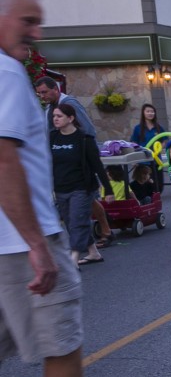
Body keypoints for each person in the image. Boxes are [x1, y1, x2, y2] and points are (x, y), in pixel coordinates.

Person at [0, 0, 141, 377]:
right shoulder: (8, 74)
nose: (36, 34)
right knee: (61, 341)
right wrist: (37, 243)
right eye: (27, 22)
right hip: (21, 238)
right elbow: (5, 160)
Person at [34, 75, 115, 248]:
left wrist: (87, 157)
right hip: (62, 161)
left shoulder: (70, 104)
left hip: (79, 160)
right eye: (39, 93)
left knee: (88, 197)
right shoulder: (49, 109)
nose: (42, 96)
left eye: (45, 92)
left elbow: (88, 130)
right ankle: (90, 239)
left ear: (56, 89)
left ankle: (104, 231)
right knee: (81, 200)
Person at [50, 103, 113, 266]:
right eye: (54, 116)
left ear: (70, 118)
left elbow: (97, 166)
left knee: (78, 221)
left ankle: (74, 258)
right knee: (71, 223)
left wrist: (109, 189)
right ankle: (93, 252)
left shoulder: (84, 139)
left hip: (81, 188)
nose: (55, 119)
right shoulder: (52, 138)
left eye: (59, 116)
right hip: (60, 188)